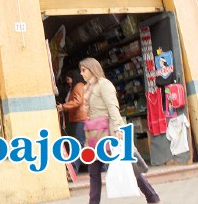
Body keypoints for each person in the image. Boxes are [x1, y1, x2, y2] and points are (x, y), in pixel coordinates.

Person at [79, 57, 160, 204]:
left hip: (107, 132)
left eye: (84, 70)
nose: (81, 73)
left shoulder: (104, 84)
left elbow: (112, 107)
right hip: (93, 135)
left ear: (92, 68)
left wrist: (117, 129)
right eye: (81, 71)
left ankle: (152, 196)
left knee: (127, 165)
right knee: (94, 172)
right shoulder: (88, 87)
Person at [56, 70, 87, 174]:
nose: (68, 81)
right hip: (77, 118)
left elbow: (77, 101)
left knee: (78, 144)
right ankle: (102, 169)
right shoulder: (75, 87)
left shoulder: (78, 86)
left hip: (80, 118)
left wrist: (63, 107)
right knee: (82, 143)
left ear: (73, 78)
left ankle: (73, 168)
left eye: (69, 79)